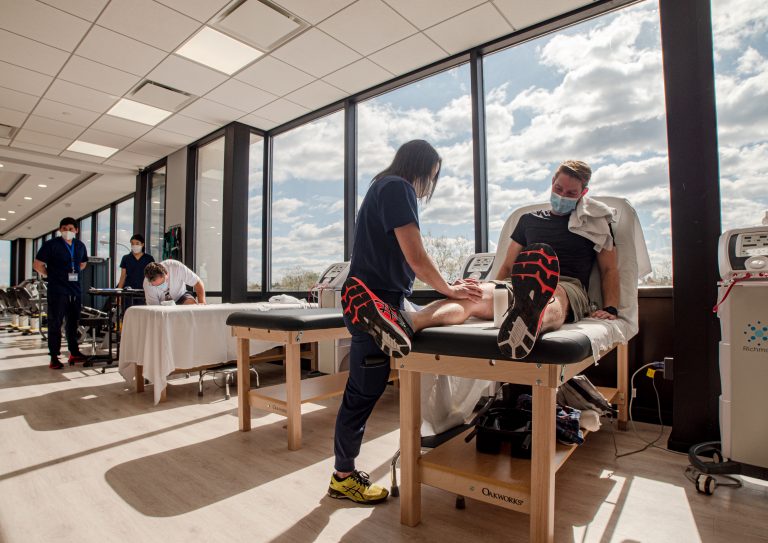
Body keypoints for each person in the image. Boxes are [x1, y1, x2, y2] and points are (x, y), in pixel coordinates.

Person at [331, 140, 483, 505]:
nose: (430, 184)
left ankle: (403, 320)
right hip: (375, 302)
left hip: (381, 299)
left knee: (361, 391)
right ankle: (343, 477)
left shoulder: (381, 187)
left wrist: (451, 292)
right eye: (432, 176)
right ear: (423, 168)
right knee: (362, 394)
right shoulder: (399, 188)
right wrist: (450, 288)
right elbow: (416, 257)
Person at [348, 159, 620, 361]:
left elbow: (609, 269)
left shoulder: (594, 223)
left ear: (583, 193)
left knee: (554, 294)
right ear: (552, 182)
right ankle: (408, 322)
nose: (562, 196)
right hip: (518, 282)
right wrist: (491, 291)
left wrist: (611, 307)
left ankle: (531, 317)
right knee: (471, 296)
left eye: (571, 193)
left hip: (567, 285)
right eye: (559, 188)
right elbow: (508, 266)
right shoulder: (527, 220)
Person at [33, 217, 90, 369]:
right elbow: (37, 264)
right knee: (55, 323)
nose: (67, 231)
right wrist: (51, 275)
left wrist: (73, 272)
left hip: (75, 290)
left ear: (76, 230)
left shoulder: (80, 245)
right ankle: (54, 357)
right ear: (60, 230)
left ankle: (74, 352)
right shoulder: (51, 245)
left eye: (70, 228)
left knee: (73, 323)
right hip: (57, 290)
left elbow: (83, 263)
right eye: (64, 228)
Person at [142, 260, 206, 306]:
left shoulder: (176, 267)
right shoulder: (147, 285)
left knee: (192, 305)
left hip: (181, 296)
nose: (161, 286)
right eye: (157, 285)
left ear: (167, 274)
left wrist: (202, 305)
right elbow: (154, 309)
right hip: (162, 304)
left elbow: (197, 283)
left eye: (162, 282)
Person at [117, 234, 154, 308]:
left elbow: (152, 276)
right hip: (128, 292)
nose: (134, 245)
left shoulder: (149, 259)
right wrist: (118, 293)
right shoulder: (126, 258)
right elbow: (122, 277)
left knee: (142, 312)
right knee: (128, 311)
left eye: (137, 243)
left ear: (142, 244)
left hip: (143, 292)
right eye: (132, 244)